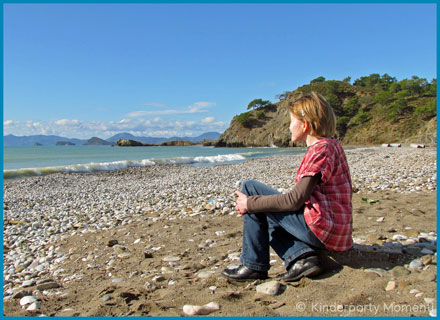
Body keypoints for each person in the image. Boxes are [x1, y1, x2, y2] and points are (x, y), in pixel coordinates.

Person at [222, 91, 353, 282]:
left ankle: (252, 265)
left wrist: (250, 203)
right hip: (334, 230)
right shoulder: (331, 145)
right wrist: (260, 205)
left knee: (250, 188)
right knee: (267, 209)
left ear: (305, 124)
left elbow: (294, 201)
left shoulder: (320, 150)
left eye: (291, 122)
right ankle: (301, 258)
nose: (289, 127)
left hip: (324, 231)